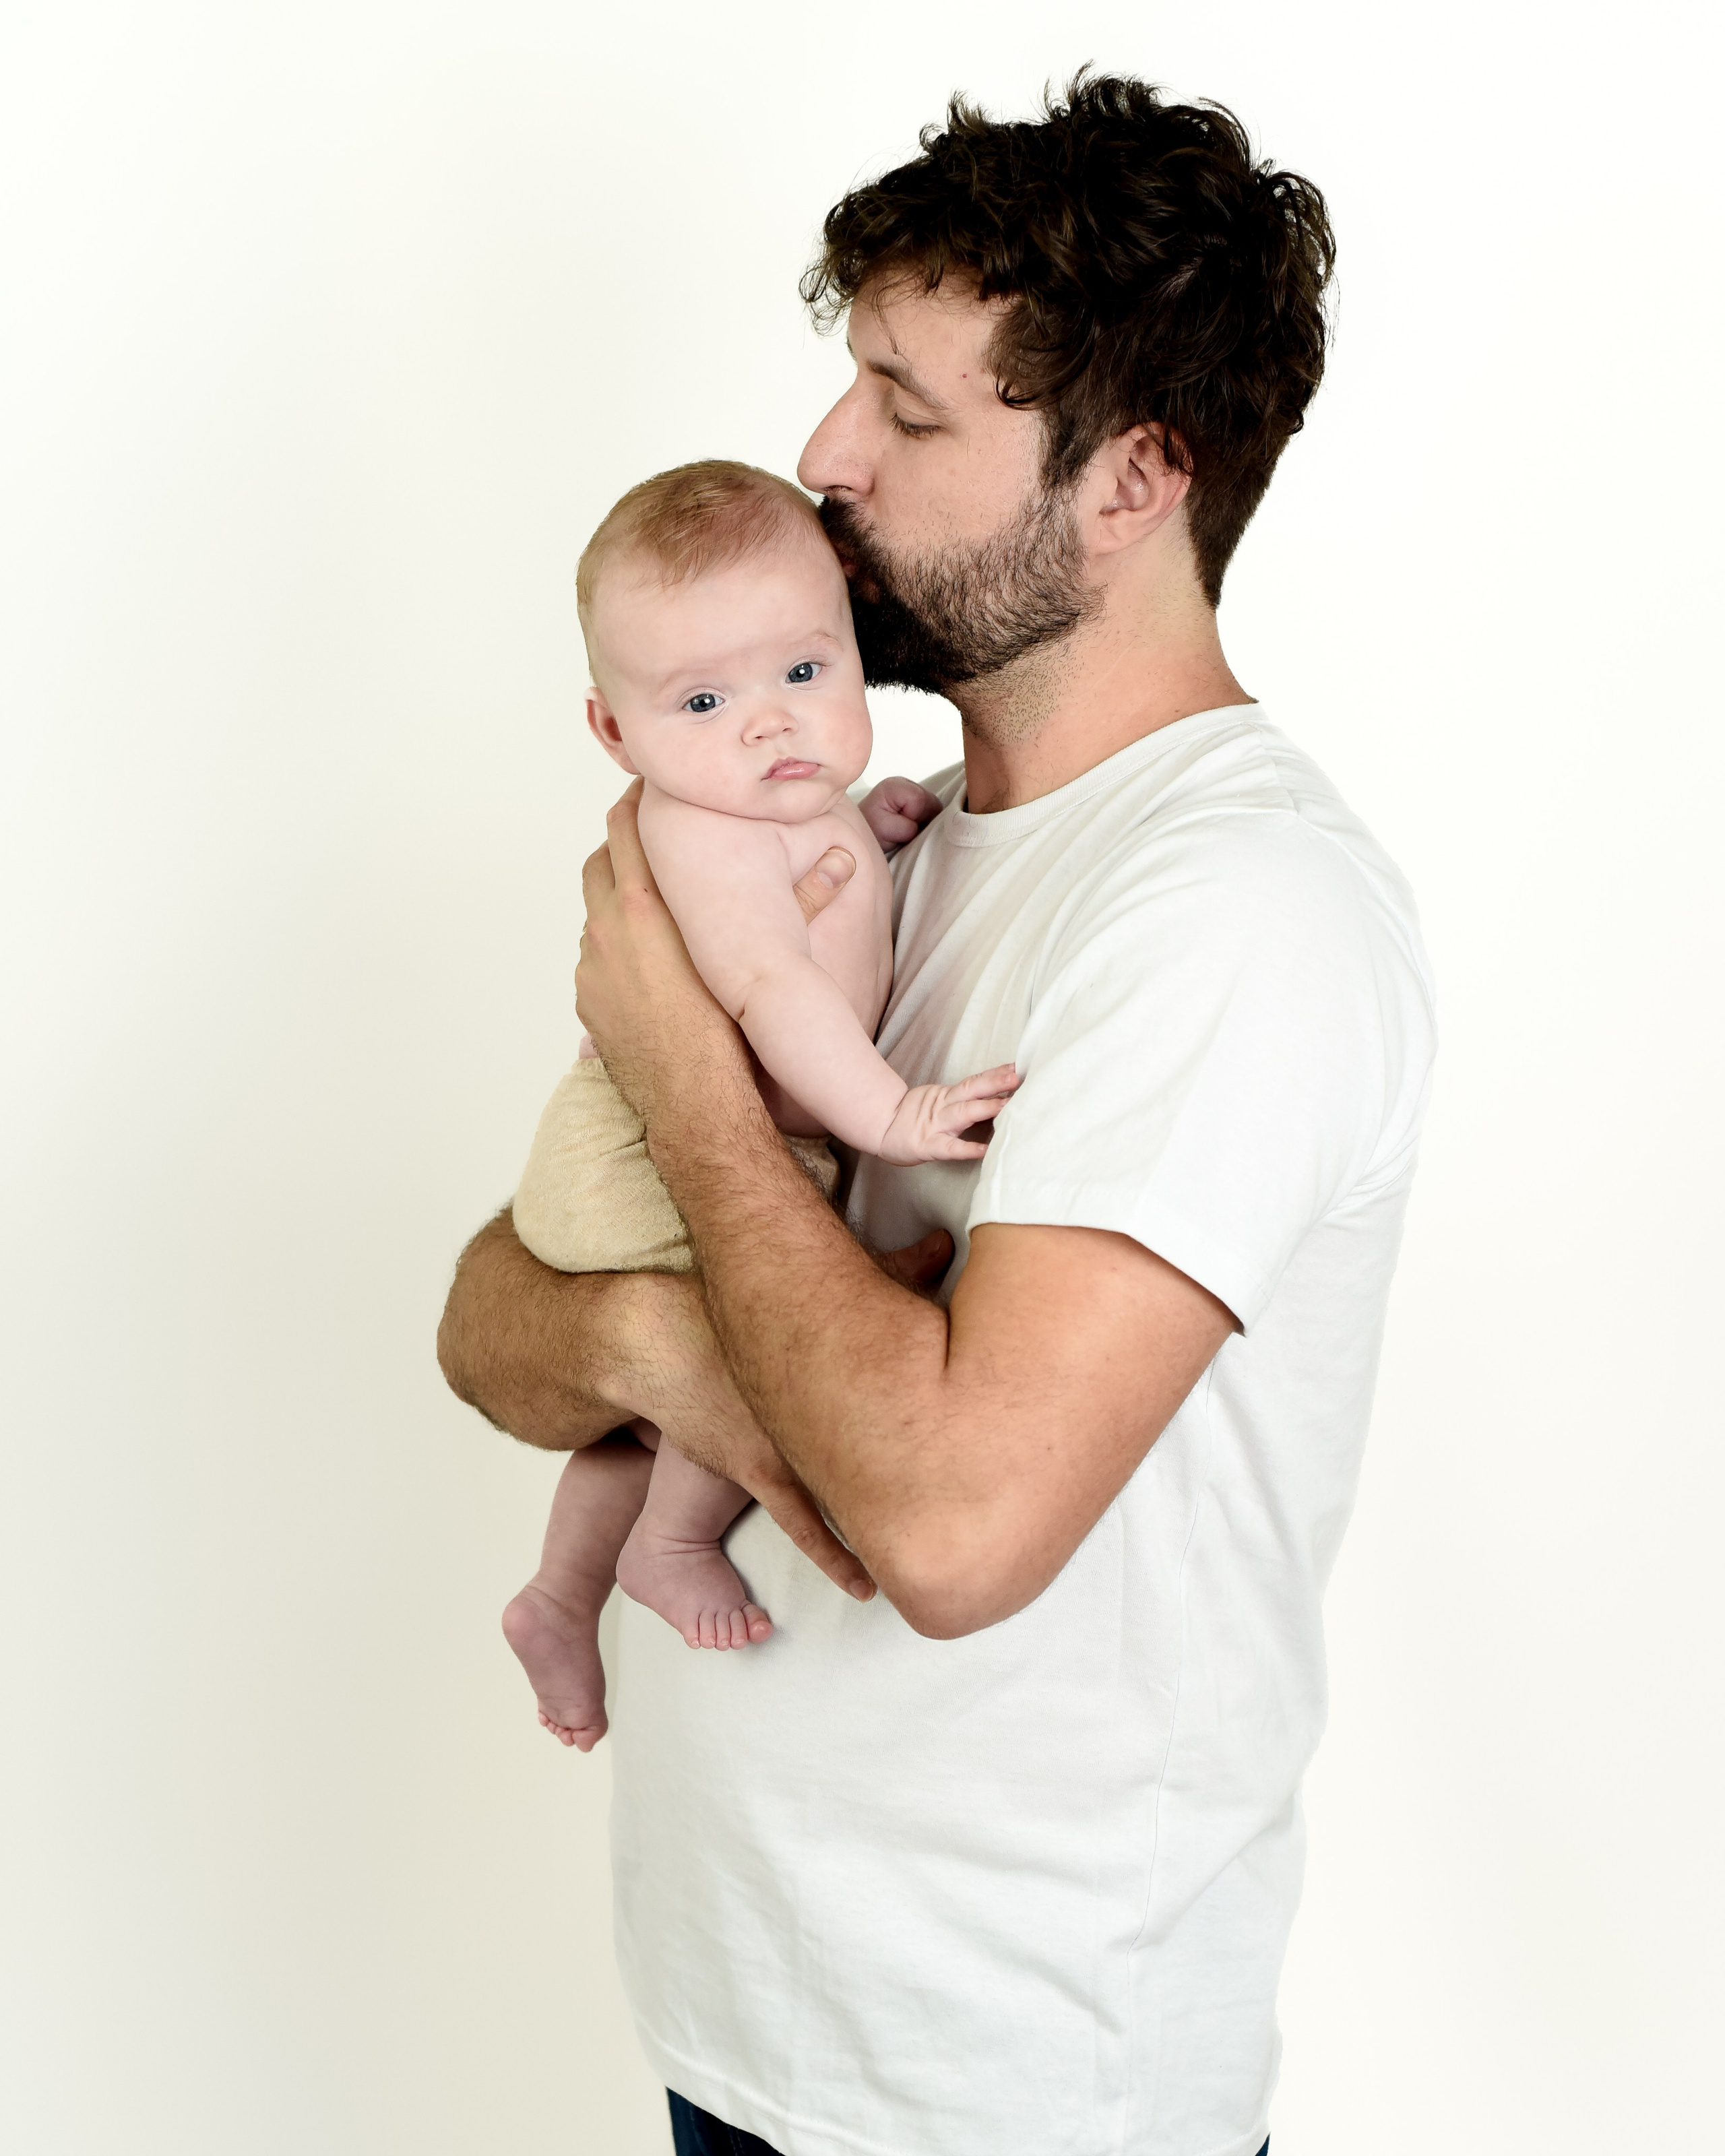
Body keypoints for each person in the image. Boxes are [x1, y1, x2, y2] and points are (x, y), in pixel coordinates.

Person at [438, 73, 1436, 2156]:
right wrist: (645, 1339)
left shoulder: (1227, 910)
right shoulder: (849, 833)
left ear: (1131, 477)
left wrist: (697, 1089)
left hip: (1007, 2089)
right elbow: (489, 1328)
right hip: (754, 2028)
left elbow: (954, 1531)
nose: (820, 459)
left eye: (907, 409)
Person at [501, 457, 1016, 1746]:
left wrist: (879, 831)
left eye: (804, 673)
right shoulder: (702, 831)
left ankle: (560, 1591)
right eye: (705, 700)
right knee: (742, 1332)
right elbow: (780, 995)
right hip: (637, 1145)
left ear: (853, 645)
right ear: (616, 736)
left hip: (689, 1142)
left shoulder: (776, 804)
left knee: (645, 1405)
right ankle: (669, 1547)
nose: (771, 727)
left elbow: (828, 874)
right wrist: (895, 1119)